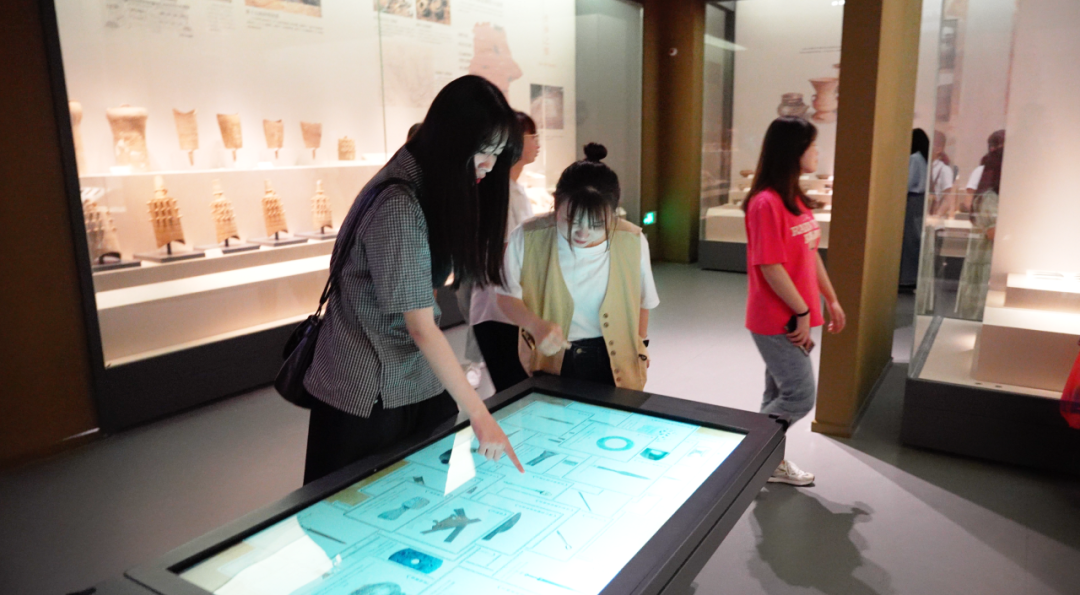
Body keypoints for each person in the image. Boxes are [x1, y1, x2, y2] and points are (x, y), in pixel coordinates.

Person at [302, 75, 524, 484]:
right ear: (453, 140)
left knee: (406, 499)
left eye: (497, 153)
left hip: (407, 379)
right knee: (354, 503)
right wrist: (480, 415)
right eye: (483, 151)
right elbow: (421, 326)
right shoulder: (399, 205)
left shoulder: (424, 181)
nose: (490, 166)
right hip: (367, 391)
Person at [496, 143, 659, 389]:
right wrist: (535, 325)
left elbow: (643, 302)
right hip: (551, 358)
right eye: (571, 220)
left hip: (617, 359)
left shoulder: (632, 240)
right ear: (555, 204)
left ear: (613, 213)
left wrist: (640, 344)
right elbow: (505, 297)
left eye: (597, 224)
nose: (582, 233)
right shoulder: (527, 237)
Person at [742, 117, 846, 486]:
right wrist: (801, 311)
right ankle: (748, 453)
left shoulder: (796, 201)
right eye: (811, 145)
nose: (817, 152)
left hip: (795, 316)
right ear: (793, 151)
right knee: (799, 395)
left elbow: (810, 253)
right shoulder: (765, 203)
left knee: (778, 391)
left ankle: (766, 462)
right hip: (777, 319)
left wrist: (830, 299)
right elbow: (770, 266)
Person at [468, 112, 539, 392]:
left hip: (506, 310)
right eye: (532, 136)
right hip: (500, 312)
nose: (537, 142)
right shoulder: (502, 195)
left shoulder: (514, 191)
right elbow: (507, 256)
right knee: (515, 393)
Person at [955, 130, 1005, 320]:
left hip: (988, 257)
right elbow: (993, 233)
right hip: (985, 256)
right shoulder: (989, 198)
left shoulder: (991, 196)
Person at [900, 128, 930, 290]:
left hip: (912, 200)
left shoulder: (914, 158)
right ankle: (913, 277)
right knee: (916, 240)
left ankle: (907, 278)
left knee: (909, 241)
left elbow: (907, 182)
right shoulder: (924, 157)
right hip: (921, 201)